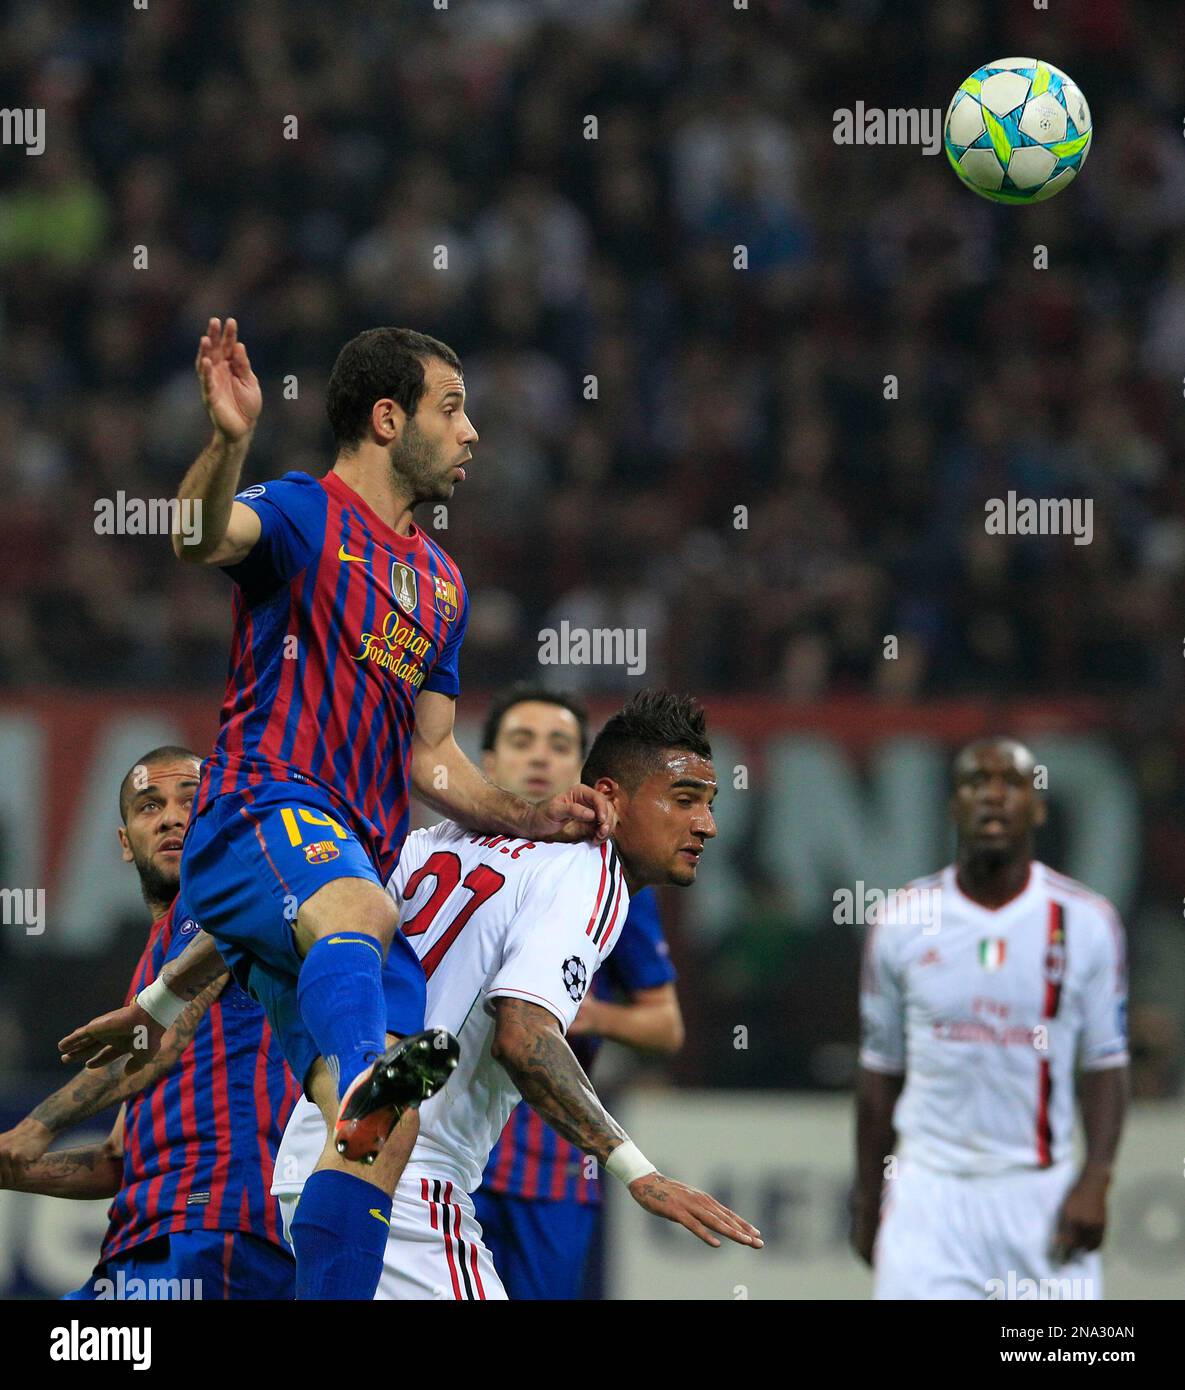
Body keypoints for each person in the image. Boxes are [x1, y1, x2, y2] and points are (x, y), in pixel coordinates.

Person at [59, 319, 615, 1301]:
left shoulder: (441, 586)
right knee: (367, 975)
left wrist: (530, 818)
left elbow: (432, 758)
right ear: (388, 417)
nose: (474, 432)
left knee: (381, 1138)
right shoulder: (301, 513)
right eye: (454, 407)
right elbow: (197, 537)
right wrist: (230, 442)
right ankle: (364, 1067)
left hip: (339, 880)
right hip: (258, 815)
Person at [272, 691, 761, 1298]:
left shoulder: (437, 839)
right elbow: (522, 1035)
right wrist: (639, 1172)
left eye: (709, 804)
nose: (706, 825)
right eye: (685, 801)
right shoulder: (590, 871)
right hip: (408, 1174)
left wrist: (163, 1001)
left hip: (320, 1155)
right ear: (609, 797)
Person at [0, 747, 298, 1299]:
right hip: (144, 1238)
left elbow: (159, 1044)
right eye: (148, 806)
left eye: (192, 800)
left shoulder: (228, 907)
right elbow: (117, 1159)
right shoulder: (153, 960)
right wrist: (11, 1168)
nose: (171, 816)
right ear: (123, 841)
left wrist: (35, 1126)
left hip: (215, 1224)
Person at [852, 737, 1129, 1300]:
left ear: (1039, 807)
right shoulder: (903, 921)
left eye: (1013, 783)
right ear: (953, 805)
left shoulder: (1088, 922)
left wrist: (1096, 1178)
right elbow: (880, 1072)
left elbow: (1106, 1063)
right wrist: (866, 1197)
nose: (994, 796)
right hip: (929, 1192)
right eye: (976, 782)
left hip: (1042, 1197)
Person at [469, 683, 684, 1299]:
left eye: (559, 744)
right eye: (521, 741)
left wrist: (583, 1015)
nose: (540, 757)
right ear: (486, 763)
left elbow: (665, 1026)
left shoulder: (612, 876)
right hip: (448, 1148)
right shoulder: (443, 857)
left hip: (550, 1156)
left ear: (586, 772)